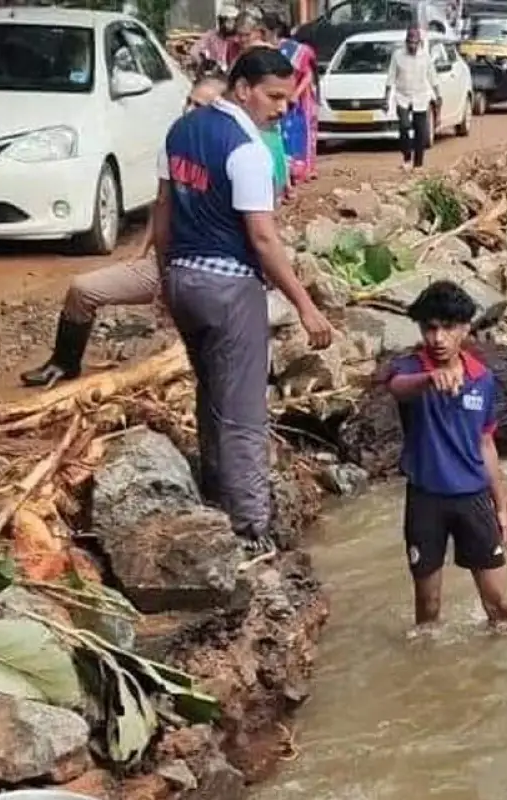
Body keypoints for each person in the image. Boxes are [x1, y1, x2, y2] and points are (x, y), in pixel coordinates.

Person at [154, 47, 333, 553]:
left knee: (211, 397)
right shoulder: (248, 149)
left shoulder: (180, 131)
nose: (281, 110)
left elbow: (163, 213)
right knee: (244, 416)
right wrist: (305, 305)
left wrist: (164, 280)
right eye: (274, 97)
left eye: (288, 99)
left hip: (184, 280)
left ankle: (216, 496)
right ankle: (250, 532)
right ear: (242, 89)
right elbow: (262, 239)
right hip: (230, 288)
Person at [18, 74, 228, 389]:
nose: (189, 110)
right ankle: (64, 363)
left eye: (200, 105)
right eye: (189, 101)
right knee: (82, 289)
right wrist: (145, 248)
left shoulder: (231, 154)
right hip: (165, 264)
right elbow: (161, 204)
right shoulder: (174, 145)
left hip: (206, 271)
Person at [378, 280, 507, 628]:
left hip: (473, 499)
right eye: (430, 328)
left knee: (500, 606)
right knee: (429, 607)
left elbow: (486, 444)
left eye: (447, 328)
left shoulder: (481, 378)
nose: (437, 338)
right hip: (426, 501)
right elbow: (396, 388)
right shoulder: (411, 368)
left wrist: (502, 508)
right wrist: (429, 379)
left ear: (466, 328)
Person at [267, 14, 318, 186]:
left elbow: (308, 74)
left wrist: (296, 93)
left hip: (296, 102)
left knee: (296, 136)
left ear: (273, 31)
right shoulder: (262, 50)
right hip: (273, 99)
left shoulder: (294, 49)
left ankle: (300, 171)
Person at [389, 25, 438, 172]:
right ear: (406, 41)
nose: (412, 45)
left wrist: (438, 95)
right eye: (410, 42)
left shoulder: (426, 57)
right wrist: (385, 96)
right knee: (404, 126)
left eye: (415, 43)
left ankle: (418, 164)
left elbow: (433, 77)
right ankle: (406, 158)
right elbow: (391, 75)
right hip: (402, 95)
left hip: (420, 96)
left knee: (420, 131)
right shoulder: (397, 55)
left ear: (419, 42)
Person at [193, 6, 243, 73]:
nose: (227, 25)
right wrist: (203, 62)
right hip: (214, 74)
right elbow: (195, 50)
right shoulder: (211, 35)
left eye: (232, 21)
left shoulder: (241, 39)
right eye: (225, 20)